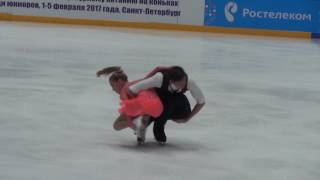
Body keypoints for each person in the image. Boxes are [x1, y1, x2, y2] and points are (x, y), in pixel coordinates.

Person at [128, 66, 205, 144]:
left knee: (176, 105)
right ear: (171, 81)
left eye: (184, 81)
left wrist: (187, 118)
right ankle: (149, 124)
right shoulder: (159, 79)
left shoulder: (189, 83)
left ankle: (155, 124)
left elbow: (201, 102)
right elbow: (133, 89)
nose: (183, 84)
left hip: (173, 103)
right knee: (167, 102)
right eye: (180, 83)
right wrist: (135, 108)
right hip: (156, 100)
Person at [96, 66, 163, 144]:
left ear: (120, 81)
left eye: (113, 85)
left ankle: (138, 126)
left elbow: (128, 108)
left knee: (116, 126)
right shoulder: (134, 83)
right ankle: (141, 125)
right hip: (153, 102)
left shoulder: (124, 91)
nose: (113, 89)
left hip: (140, 106)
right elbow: (119, 69)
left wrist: (131, 125)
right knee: (139, 112)